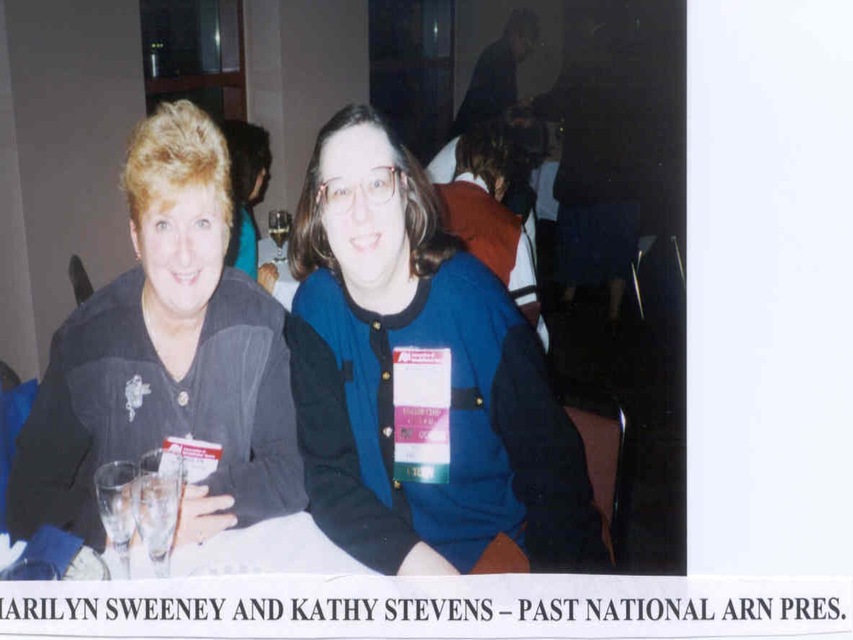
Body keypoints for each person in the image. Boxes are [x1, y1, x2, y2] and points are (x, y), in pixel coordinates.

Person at [286, 104, 608, 575]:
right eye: (339, 190)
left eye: (377, 183)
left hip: (491, 566)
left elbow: (555, 479)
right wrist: (413, 564)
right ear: (319, 209)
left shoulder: (474, 303)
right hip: (376, 563)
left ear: (406, 190)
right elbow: (327, 476)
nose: (359, 212)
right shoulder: (315, 310)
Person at [7, 100, 308, 549]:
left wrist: (179, 506)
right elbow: (25, 505)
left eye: (202, 223)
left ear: (228, 231)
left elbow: (291, 471)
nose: (185, 253)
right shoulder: (84, 346)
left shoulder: (260, 325)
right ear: (136, 237)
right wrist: (136, 516)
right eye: (164, 225)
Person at [531, 19, 641, 326]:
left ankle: (569, 298)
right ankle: (614, 312)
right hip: (620, 177)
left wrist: (532, 104)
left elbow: (555, 102)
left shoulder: (580, 67)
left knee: (577, 236)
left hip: (585, 174)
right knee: (617, 244)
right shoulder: (633, 72)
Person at [435, 122, 548, 350]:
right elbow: (528, 318)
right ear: (499, 181)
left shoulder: (420, 204)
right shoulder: (511, 230)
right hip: (479, 352)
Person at [450, 8, 540, 139]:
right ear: (514, 35)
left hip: (469, 136)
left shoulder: (498, 53)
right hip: (472, 138)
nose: (527, 51)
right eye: (526, 44)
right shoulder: (502, 59)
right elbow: (500, 110)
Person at [220, 119, 271, 282]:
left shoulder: (221, 209)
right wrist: (262, 288)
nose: (264, 172)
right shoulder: (242, 226)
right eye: (258, 165)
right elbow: (235, 294)